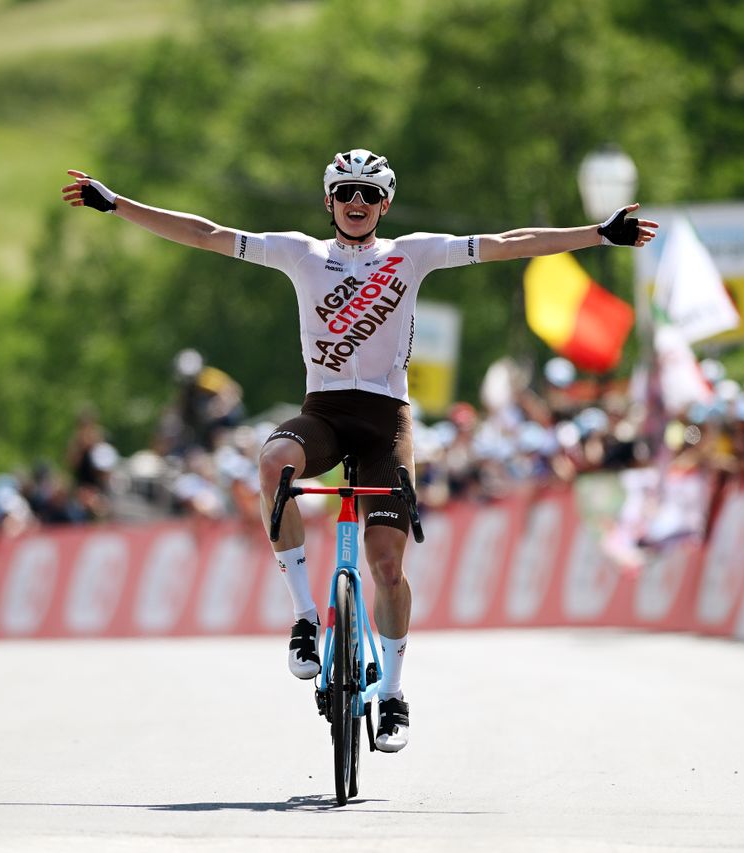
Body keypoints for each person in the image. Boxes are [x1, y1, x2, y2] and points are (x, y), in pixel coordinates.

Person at [63, 149, 656, 753]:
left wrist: (598, 234)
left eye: (370, 195)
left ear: (386, 204)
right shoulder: (300, 253)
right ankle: (304, 618)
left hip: (386, 422)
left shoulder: (412, 253)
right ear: (328, 200)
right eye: (346, 191)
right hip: (324, 413)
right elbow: (207, 234)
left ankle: (393, 692)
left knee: (387, 565)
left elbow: (507, 241)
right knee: (272, 464)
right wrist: (117, 204)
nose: (357, 203)